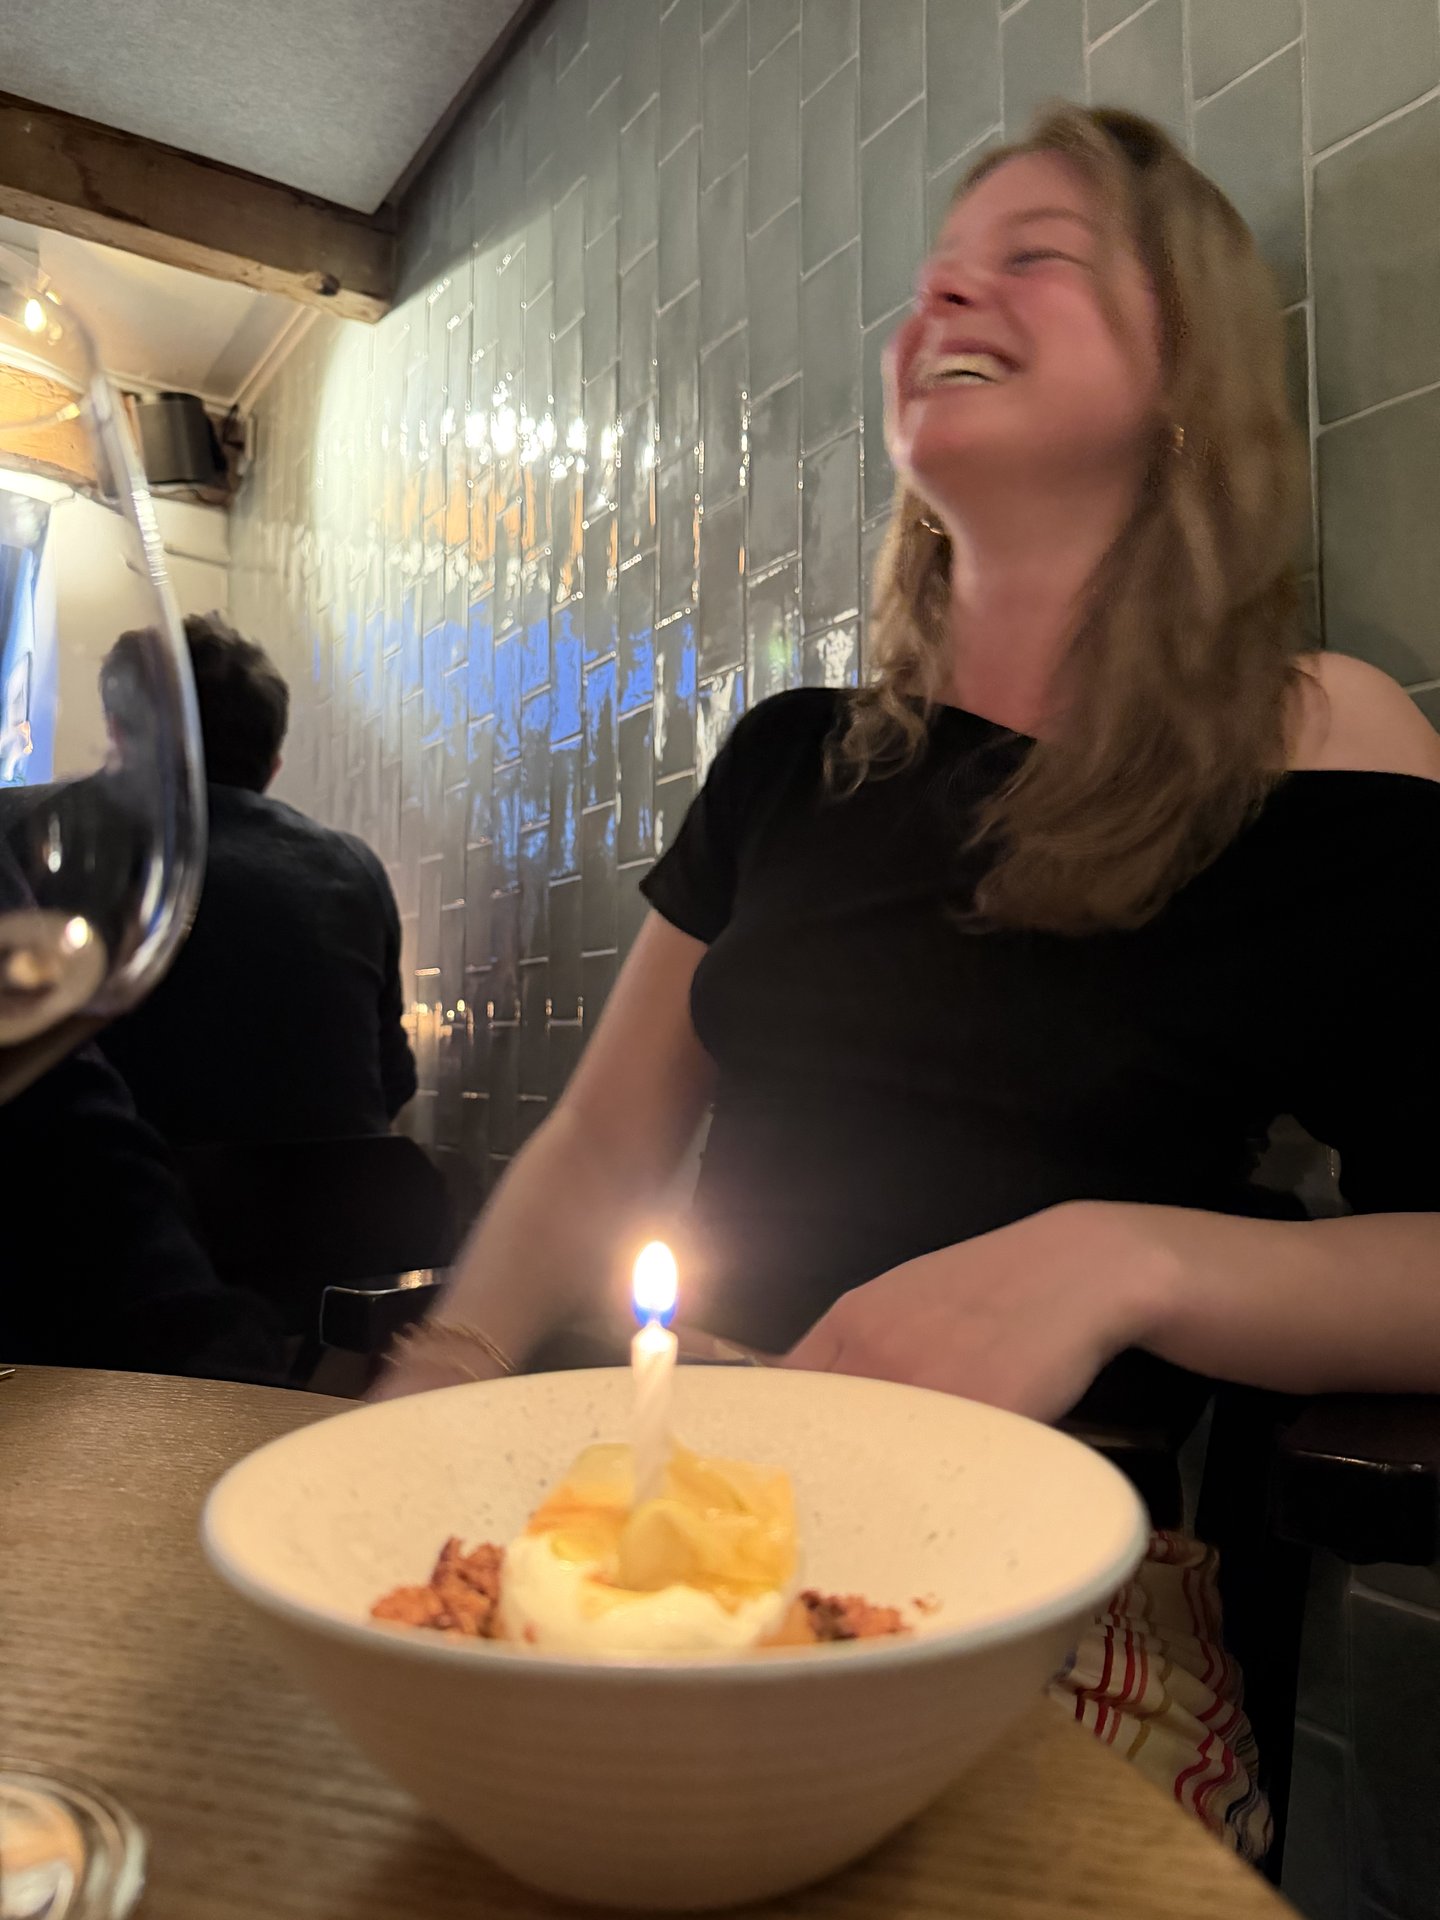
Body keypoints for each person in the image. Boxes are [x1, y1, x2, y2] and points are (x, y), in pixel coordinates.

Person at [375, 107, 1440, 1852]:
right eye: (942, 262)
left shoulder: (1319, 743)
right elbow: (603, 1140)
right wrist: (460, 1354)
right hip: (670, 1494)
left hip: (1047, 1564)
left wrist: (1129, 1259)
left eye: (1041, 256)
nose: (950, 279)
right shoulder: (792, 758)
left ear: (1192, 381)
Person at [99, 614, 416, 1142]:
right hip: (340, 1218)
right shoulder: (356, 872)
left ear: (122, 739)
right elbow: (392, 1086)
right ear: (272, 767)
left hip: (130, 1215)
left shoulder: (75, 860)